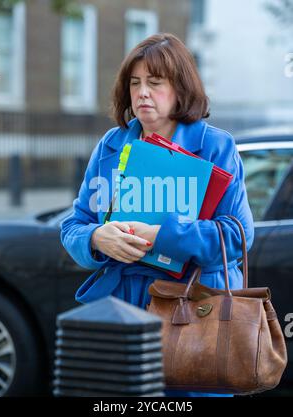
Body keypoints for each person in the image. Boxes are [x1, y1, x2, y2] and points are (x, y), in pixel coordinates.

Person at [60, 33, 254, 397]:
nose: (142, 92)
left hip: (195, 310)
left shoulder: (216, 145)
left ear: (180, 88)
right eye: (135, 83)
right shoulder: (111, 144)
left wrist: (159, 234)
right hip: (121, 310)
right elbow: (73, 225)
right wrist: (95, 238)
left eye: (154, 82)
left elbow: (237, 236)